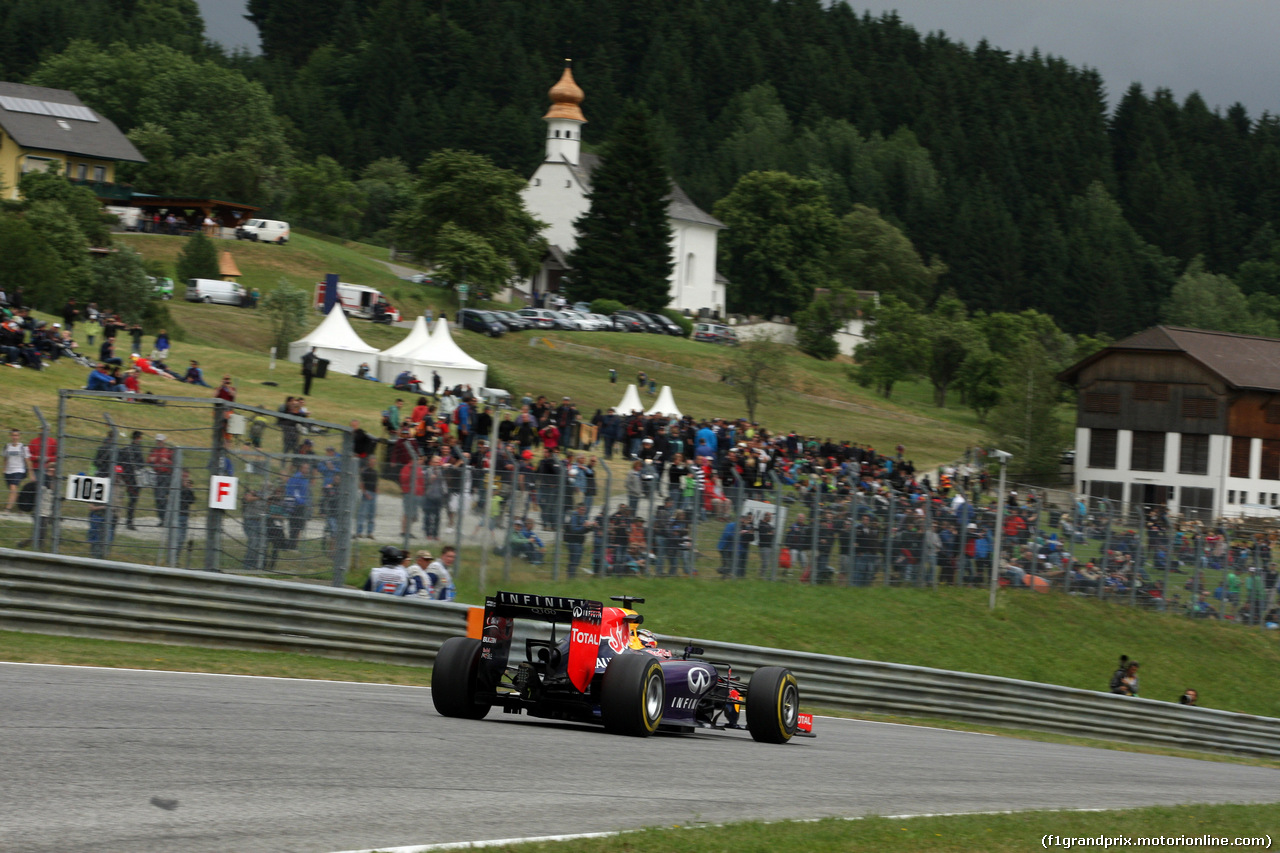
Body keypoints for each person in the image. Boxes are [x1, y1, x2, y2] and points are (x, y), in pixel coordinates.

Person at [4, 428, 29, 512]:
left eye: (17, 435)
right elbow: (5, 459)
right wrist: (4, 469)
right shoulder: (7, 447)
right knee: (13, 491)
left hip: (19, 470)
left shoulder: (23, 447)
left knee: (13, 488)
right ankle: (22, 507)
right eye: (13, 435)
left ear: (19, 436)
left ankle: (8, 508)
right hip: (8, 471)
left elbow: (27, 460)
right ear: (10, 436)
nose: (15, 437)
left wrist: (31, 472)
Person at [356, 456, 379, 539]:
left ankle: (370, 532)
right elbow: (361, 483)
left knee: (372, 514)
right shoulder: (365, 471)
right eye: (372, 461)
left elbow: (376, 484)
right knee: (362, 513)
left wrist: (376, 492)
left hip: (373, 494)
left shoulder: (375, 472)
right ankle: (359, 532)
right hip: (367, 494)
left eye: (374, 461)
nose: (373, 463)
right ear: (369, 462)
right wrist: (365, 493)